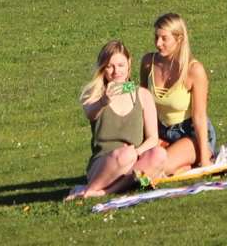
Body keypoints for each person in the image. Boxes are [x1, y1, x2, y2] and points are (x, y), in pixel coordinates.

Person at [67, 40, 159, 200]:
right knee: (125, 155)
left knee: (159, 154)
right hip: (105, 161)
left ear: (129, 64)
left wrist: (136, 153)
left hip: (133, 158)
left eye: (121, 65)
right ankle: (96, 186)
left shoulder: (142, 94)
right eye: (110, 66)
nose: (116, 71)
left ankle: (101, 192)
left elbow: (153, 138)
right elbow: (90, 114)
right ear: (103, 68)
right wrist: (104, 101)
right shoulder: (95, 93)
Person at [134, 13, 213, 180]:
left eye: (164, 38)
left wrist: (205, 160)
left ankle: (185, 163)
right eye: (156, 37)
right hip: (159, 131)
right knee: (136, 164)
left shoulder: (194, 70)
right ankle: (181, 166)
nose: (158, 43)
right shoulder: (149, 62)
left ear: (179, 39)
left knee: (157, 167)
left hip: (189, 132)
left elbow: (199, 116)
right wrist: (118, 87)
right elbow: (140, 95)